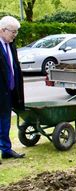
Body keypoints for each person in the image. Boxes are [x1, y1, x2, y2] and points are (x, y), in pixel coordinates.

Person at [0, 16, 25, 161]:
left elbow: (14, 65)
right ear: (2, 30)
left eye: (16, 32)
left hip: (8, 91)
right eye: (13, 32)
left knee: (5, 121)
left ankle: (6, 149)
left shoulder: (11, 44)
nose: (15, 35)